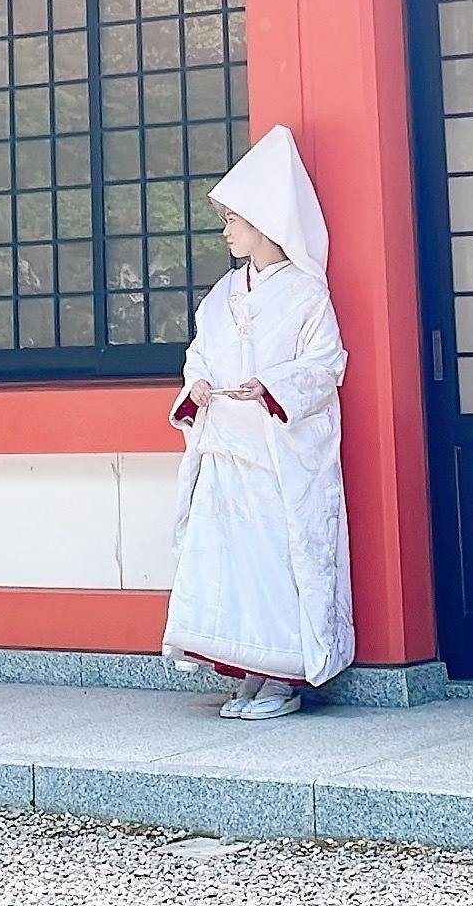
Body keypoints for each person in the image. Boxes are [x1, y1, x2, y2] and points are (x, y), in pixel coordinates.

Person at [160, 126, 354, 720]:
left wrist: (270, 388)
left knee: (274, 561)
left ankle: (281, 678)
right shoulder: (222, 293)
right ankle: (248, 672)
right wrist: (197, 384)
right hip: (227, 450)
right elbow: (200, 354)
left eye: (233, 220)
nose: (226, 231)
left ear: (265, 223)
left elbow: (325, 364)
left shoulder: (306, 293)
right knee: (231, 563)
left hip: (276, 453)